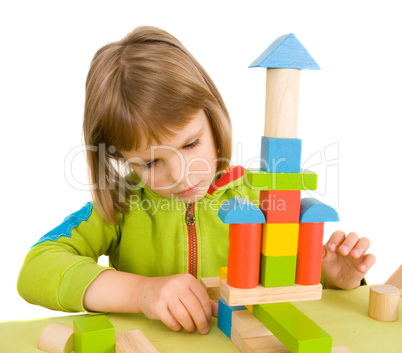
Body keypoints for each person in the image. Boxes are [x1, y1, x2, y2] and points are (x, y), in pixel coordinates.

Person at [17, 26, 375, 335]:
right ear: (117, 157)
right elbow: (37, 269)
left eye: (190, 144)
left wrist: (336, 278)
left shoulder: (265, 197)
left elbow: (292, 286)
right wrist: (143, 293)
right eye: (152, 161)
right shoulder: (121, 202)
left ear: (213, 118)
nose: (180, 175)